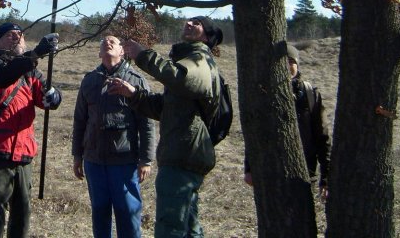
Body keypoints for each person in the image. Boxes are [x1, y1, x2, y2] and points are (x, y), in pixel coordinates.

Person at [108, 16, 222, 238]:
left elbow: (181, 78)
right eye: (188, 21)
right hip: (183, 153)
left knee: (170, 227)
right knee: (188, 227)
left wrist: (143, 55)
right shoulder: (190, 58)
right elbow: (167, 108)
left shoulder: (200, 59)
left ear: (207, 36)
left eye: (196, 23)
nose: (189, 24)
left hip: (184, 154)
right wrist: (133, 94)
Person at [0, 22, 61, 238]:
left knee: (22, 218)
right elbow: (3, 77)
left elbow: (49, 96)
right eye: (11, 35)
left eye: (20, 35)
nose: (17, 38)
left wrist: (54, 96)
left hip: (24, 154)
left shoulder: (30, 72)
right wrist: (37, 52)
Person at [72, 35, 157, 238]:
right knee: (100, 212)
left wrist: (146, 160)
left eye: (113, 41)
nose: (107, 42)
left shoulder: (135, 81)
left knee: (128, 213)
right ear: (99, 53)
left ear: (122, 51)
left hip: (124, 161)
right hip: (94, 160)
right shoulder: (89, 81)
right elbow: (79, 121)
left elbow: (147, 124)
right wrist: (77, 155)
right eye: (104, 42)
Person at [243, 44, 330, 200]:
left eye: (291, 61)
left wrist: (326, 178)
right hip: (269, 173)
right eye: (281, 61)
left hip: (303, 174)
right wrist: (249, 168)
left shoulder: (310, 94)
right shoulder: (263, 94)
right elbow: (255, 134)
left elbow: (323, 138)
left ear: (297, 64)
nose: (286, 65)